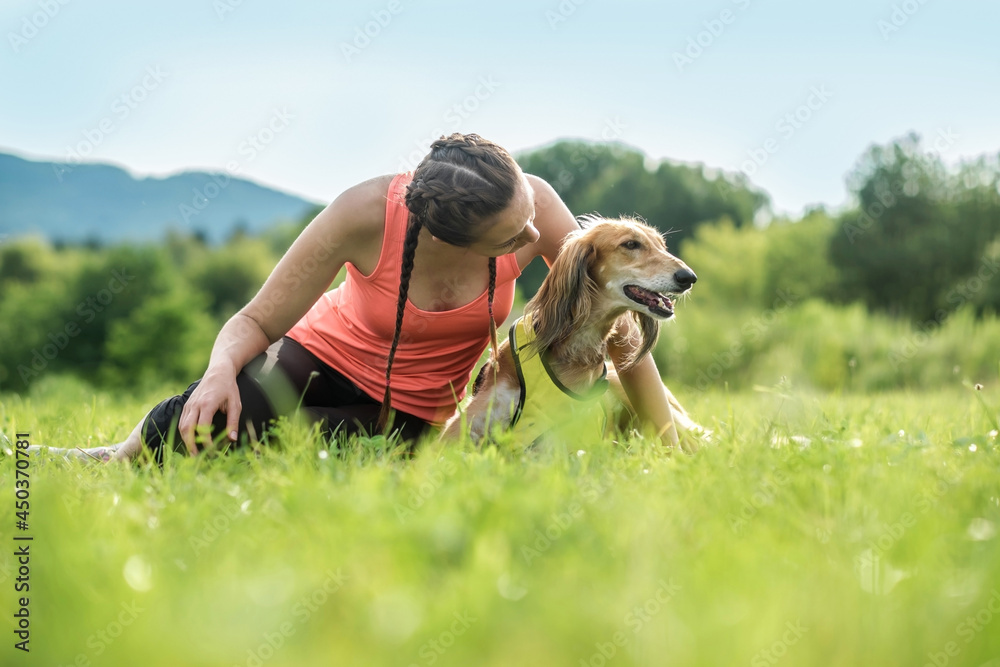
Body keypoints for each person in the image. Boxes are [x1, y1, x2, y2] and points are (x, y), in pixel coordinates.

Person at [49, 133, 683, 463]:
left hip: (413, 408)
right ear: (452, 237)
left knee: (321, 455)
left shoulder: (536, 203)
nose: (532, 235)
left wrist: (667, 436)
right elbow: (256, 319)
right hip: (313, 358)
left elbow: (613, 317)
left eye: (527, 217)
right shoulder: (363, 212)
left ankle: (185, 449)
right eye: (511, 237)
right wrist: (219, 372)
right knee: (214, 413)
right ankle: (110, 456)